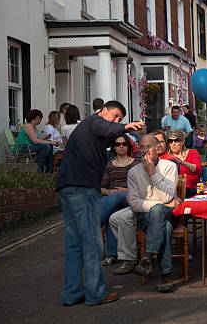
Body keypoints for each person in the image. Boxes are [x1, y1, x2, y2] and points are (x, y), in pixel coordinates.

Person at [56, 101, 144, 306]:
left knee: (74, 244)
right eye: (114, 116)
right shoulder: (94, 121)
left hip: (68, 187)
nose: (115, 121)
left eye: (119, 119)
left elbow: (111, 133)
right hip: (83, 189)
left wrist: (130, 133)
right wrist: (125, 126)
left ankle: (72, 293)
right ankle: (95, 294)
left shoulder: (93, 129)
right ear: (103, 110)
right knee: (92, 243)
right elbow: (107, 127)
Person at [126, 134, 180, 293]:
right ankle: (166, 275)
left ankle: (148, 257)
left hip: (169, 212)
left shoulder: (169, 167)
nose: (144, 151)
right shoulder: (133, 172)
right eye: (141, 147)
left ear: (157, 149)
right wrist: (160, 204)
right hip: (146, 216)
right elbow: (134, 203)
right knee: (166, 227)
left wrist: (152, 173)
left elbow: (167, 196)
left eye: (148, 147)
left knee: (162, 215)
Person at [99, 134, 140, 267]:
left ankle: (93, 224)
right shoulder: (109, 165)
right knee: (112, 211)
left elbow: (141, 186)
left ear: (128, 146)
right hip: (113, 198)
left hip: (131, 196)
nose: (121, 146)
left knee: (115, 197)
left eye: (124, 144)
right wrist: (108, 192)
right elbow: (102, 187)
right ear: (114, 147)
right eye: (118, 144)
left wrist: (126, 190)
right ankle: (112, 254)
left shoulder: (136, 163)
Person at [167, 130, 202, 197]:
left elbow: (198, 170)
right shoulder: (166, 157)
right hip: (174, 191)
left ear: (182, 141)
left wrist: (182, 162)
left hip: (193, 190)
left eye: (176, 140)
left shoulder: (192, 153)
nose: (173, 144)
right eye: (170, 141)